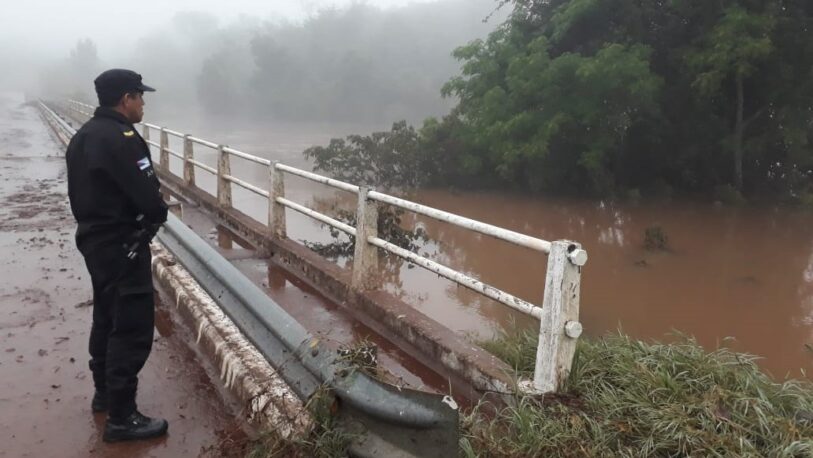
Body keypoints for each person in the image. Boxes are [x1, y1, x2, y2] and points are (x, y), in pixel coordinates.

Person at [65, 69, 169, 442]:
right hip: (124, 244)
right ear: (125, 99)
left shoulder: (83, 137)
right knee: (131, 325)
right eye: (140, 96)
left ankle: (104, 395)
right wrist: (158, 211)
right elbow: (146, 196)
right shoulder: (122, 138)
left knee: (106, 316)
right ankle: (123, 418)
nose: (144, 103)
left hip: (95, 242)